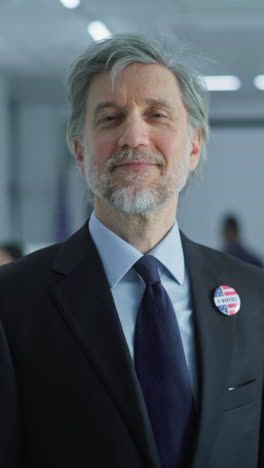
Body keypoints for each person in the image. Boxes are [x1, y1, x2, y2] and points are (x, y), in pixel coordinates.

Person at [0, 33, 263, 468]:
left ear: (194, 146)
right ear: (80, 151)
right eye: (109, 118)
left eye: (157, 115)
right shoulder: (11, 303)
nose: (134, 136)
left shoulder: (254, 297)